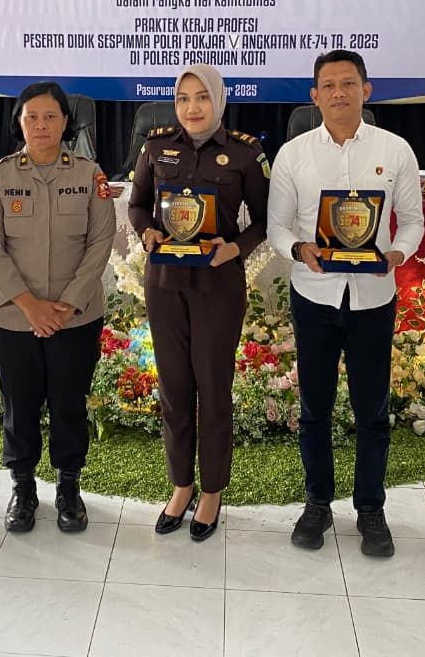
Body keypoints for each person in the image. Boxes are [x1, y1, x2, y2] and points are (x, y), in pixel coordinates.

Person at [267, 50, 424, 556]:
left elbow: (414, 220)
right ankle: (317, 505)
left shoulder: (396, 149)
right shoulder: (293, 154)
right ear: (314, 97)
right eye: (328, 85)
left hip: (374, 296)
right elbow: (278, 226)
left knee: (372, 410)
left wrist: (398, 252)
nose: (339, 93)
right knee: (314, 408)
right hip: (314, 293)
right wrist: (298, 249)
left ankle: (370, 509)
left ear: (366, 90)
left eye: (348, 83)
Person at [127, 65, 269, 541]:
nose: (191, 108)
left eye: (202, 97)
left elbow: (265, 220)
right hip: (165, 282)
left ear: (219, 101)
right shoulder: (156, 146)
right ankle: (181, 485)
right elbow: (136, 202)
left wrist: (236, 248)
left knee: (212, 390)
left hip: (216, 285)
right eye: (184, 98)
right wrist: (146, 229)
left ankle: (212, 490)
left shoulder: (246, 154)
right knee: (173, 388)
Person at [0, 82, 116, 534]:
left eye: (49, 116)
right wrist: (30, 306)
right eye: (31, 117)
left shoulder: (88, 175)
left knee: (69, 404)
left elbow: (100, 243)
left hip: (75, 317)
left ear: (64, 122)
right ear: (19, 122)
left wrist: (65, 305)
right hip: (13, 318)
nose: (40, 125)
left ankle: (69, 486)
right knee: (19, 406)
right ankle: (23, 487)